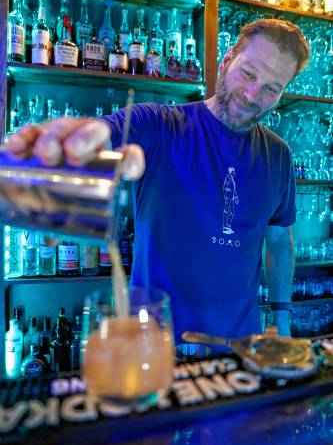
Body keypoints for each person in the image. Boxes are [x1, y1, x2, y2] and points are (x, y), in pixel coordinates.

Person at [7, 19, 310, 343]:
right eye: (248, 73)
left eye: (271, 88)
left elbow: (279, 239)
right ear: (226, 61)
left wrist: (282, 317)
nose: (252, 94)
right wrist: (73, 148)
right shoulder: (159, 124)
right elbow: (105, 133)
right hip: (153, 348)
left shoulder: (278, 155)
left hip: (239, 349)